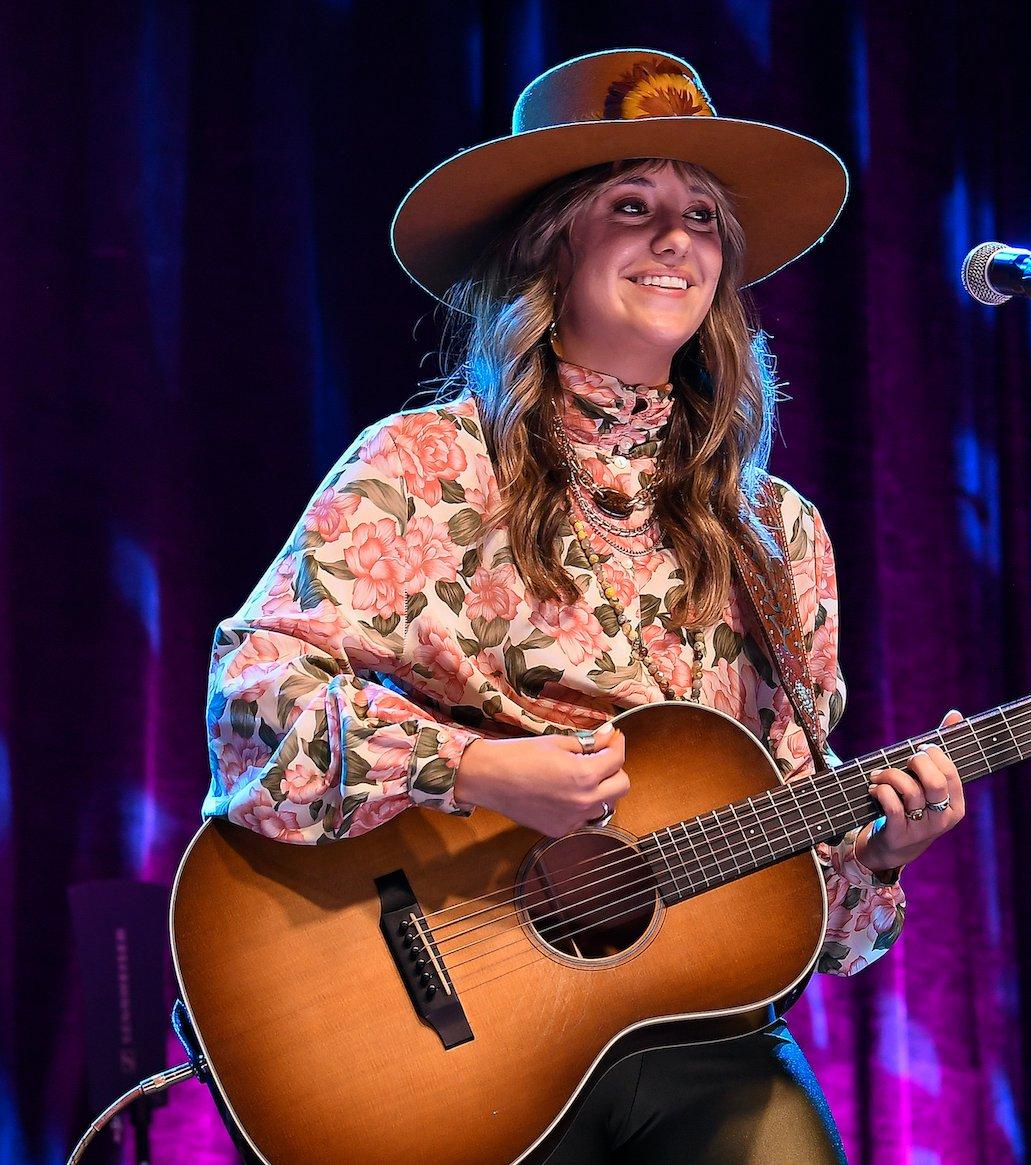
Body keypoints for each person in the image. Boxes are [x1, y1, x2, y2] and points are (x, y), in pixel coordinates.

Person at [203, 48, 967, 1164]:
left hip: (692, 1035)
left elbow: (803, 889)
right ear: (547, 244)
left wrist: (884, 855)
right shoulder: (421, 468)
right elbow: (252, 703)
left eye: (703, 216)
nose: (678, 239)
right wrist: (475, 769)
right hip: (459, 1044)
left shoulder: (778, 532)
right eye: (632, 205)